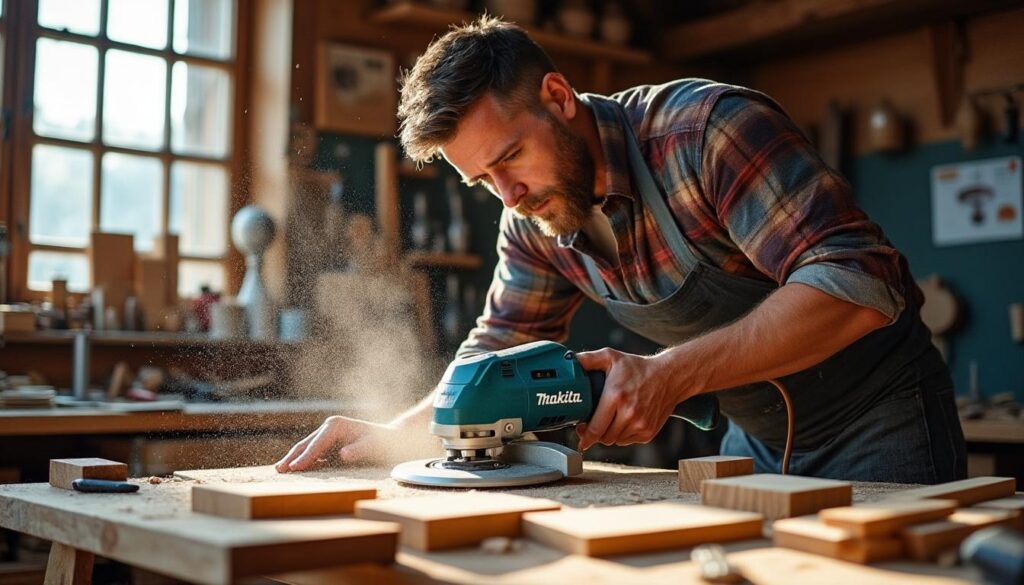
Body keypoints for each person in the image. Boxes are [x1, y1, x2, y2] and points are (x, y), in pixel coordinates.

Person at [276, 16, 966, 483]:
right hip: (755, 439)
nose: (507, 194)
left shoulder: (706, 133)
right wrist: (389, 433)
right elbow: (494, 354)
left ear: (557, 96)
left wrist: (669, 374)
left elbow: (859, 283)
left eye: (511, 156)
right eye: (481, 178)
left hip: (881, 420)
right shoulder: (530, 218)